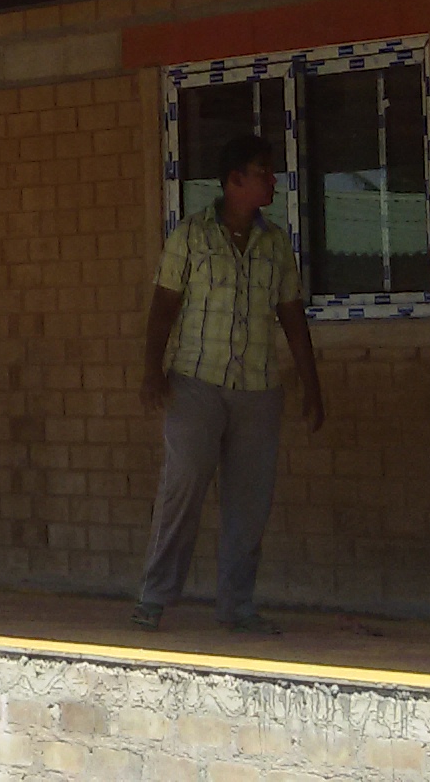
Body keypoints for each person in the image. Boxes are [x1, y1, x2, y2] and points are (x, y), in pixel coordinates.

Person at [133, 133, 322, 633]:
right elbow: (163, 306)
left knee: (250, 501)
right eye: (263, 172)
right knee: (183, 485)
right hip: (195, 382)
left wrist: (311, 384)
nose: (273, 181)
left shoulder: (275, 243)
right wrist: (152, 370)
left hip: (258, 387)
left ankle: (236, 605)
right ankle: (154, 597)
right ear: (235, 180)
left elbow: (292, 316)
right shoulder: (191, 236)